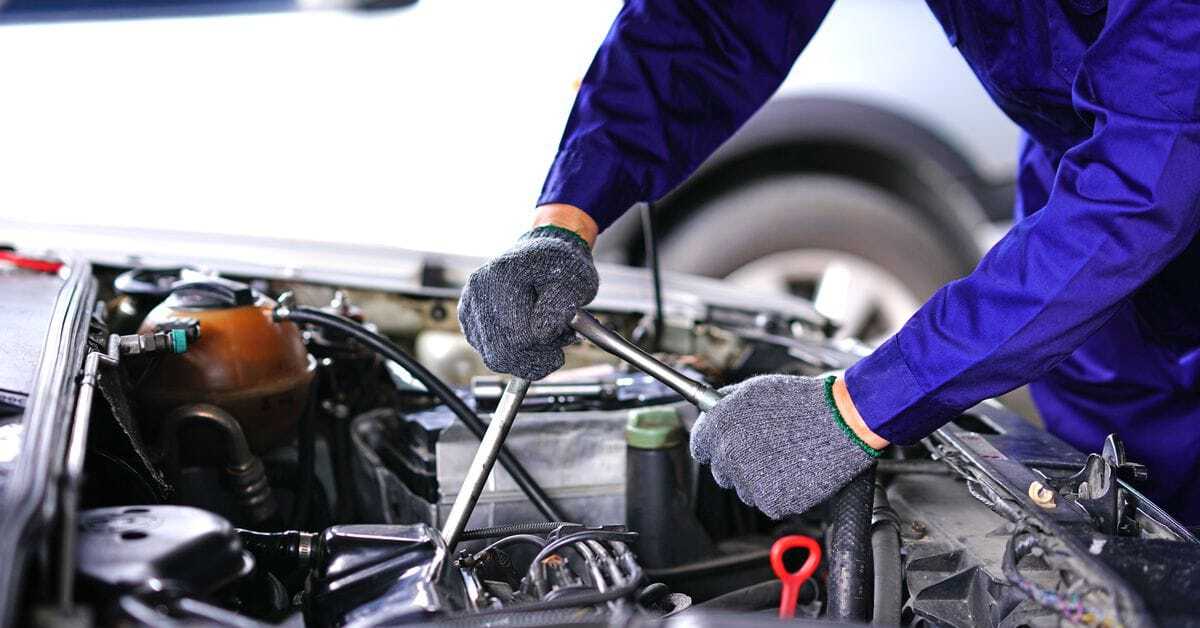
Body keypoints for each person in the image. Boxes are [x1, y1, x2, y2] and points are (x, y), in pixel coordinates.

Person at [458, 1, 1200, 524]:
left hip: (1121, 202)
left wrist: (858, 407)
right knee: (1120, 513)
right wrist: (566, 218)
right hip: (1080, 221)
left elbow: (1151, 169)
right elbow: (707, 20)